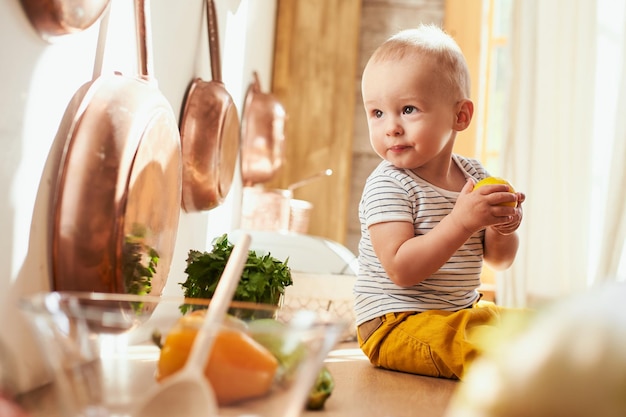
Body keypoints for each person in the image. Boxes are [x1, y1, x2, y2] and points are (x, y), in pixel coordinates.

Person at [355, 23, 526, 380]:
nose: (391, 128)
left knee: (535, 330)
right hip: (397, 321)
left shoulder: (474, 176)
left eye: (408, 109)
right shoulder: (388, 183)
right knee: (497, 358)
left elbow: (500, 259)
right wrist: (461, 221)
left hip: (461, 312)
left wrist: (501, 226)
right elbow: (402, 270)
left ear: (459, 116)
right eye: (377, 113)